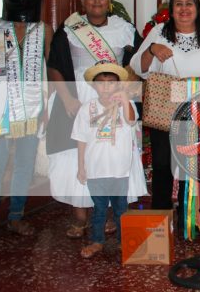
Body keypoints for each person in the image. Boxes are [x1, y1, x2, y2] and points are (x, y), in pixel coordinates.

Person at [47, 0, 144, 239]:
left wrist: (128, 90)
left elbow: (139, 61)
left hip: (113, 96)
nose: (97, 2)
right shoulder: (70, 28)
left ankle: (111, 214)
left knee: (113, 151)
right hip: (78, 98)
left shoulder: (123, 28)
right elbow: (55, 64)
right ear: (82, 0)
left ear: (108, 0)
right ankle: (80, 217)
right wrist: (67, 98)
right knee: (76, 152)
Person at [0, 0, 62, 243]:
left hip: (31, 110)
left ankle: (15, 216)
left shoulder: (43, 30)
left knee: (24, 165)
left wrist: (47, 106)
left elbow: (48, 69)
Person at [130, 0, 200, 212]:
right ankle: (161, 214)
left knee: (194, 164)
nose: (184, 8)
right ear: (171, 9)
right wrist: (152, 49)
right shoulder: (160, 31)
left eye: (189, 3)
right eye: (179, 4)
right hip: (165, 107)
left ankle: (190, 218)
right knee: (162, 164)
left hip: (199, 107)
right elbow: (136, 66)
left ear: (197, 8)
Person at [73, 61, 138, 258]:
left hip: (120, 169)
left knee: (120, 209)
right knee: (99, 209)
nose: (106, 86)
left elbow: (132, 121)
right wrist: (81, 167)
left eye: (111, 82)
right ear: (94, 85)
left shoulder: (126, 106)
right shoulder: (87, 108)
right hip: (96, 170)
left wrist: (126, 100)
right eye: (101, 82)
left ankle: (122, 240)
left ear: (118, 85)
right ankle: (97, 241)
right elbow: (81, 139)